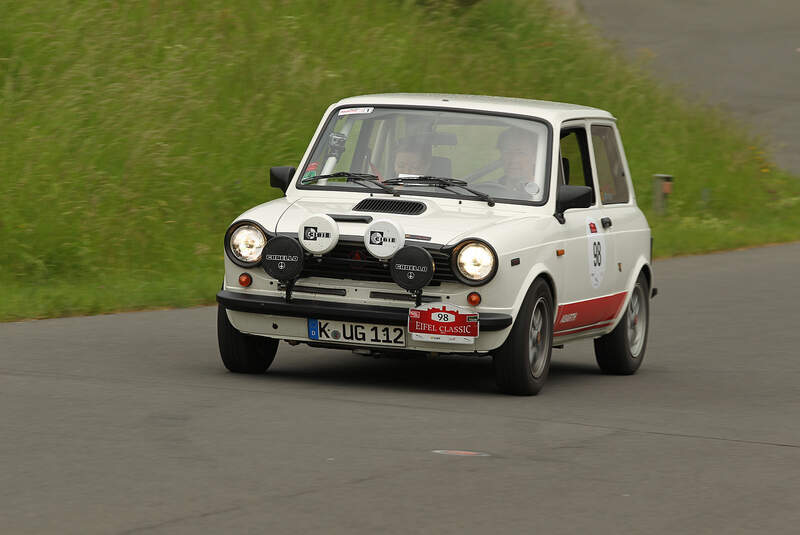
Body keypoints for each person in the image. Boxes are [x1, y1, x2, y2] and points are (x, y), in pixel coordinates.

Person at [497, 127, 541, 198]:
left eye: (521, 153)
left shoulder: (544, 193)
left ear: (535, 156)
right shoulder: (489, 190)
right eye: (507, 152)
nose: (513, 160)